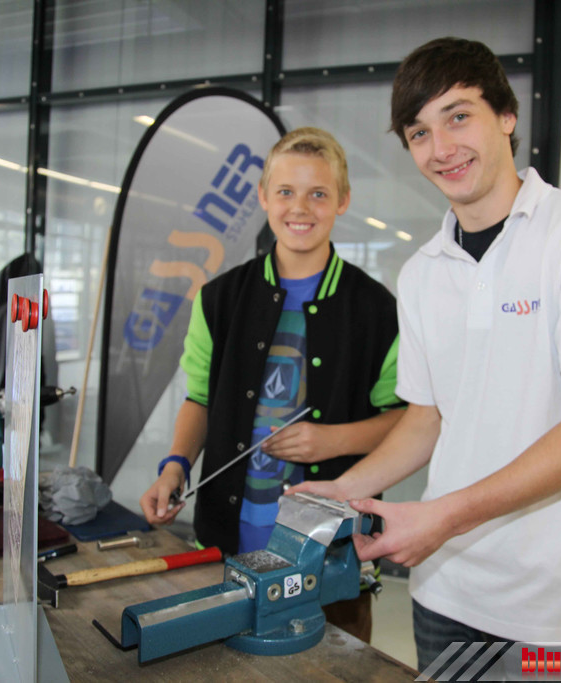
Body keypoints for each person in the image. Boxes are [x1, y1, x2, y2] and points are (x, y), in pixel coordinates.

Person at [291, 37, 561, 673]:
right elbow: (427, 419)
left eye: (458, 116)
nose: (441, 148)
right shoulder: (422, 272)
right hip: (444, 595)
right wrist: (343, 490)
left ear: (506, 116)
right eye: (419, 132)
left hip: (554, 611)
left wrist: (443, 519)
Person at [139, 127, 405, 642]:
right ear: (263, 197)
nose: (299, 207)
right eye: (285, 191)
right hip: (226, 549)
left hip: (330, 563)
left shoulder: (377, 310)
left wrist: (333, 441)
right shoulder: (218, 298)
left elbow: (406, 420)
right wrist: (174, 465)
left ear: (343, 201)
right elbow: (200, 399)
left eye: (318, 193)